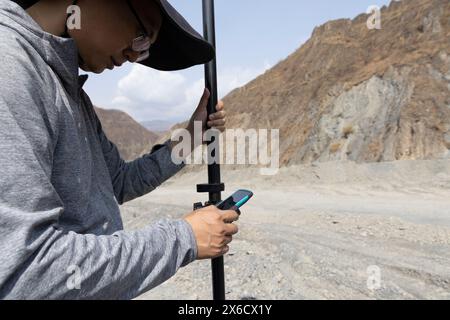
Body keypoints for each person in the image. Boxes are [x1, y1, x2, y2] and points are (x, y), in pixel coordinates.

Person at [0, 0, 239, 299]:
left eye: (145, 48)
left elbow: (118, 182)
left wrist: (191, 137)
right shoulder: (10, 68)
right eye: (142, 33)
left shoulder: (71, 94)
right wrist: (183, 238)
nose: (135, 55)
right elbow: (26, 270)